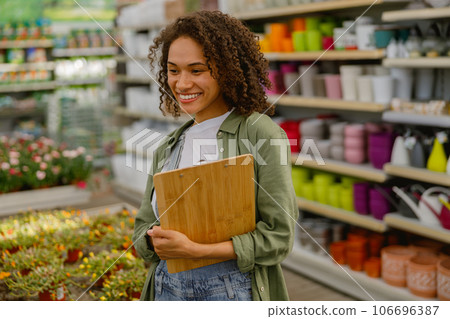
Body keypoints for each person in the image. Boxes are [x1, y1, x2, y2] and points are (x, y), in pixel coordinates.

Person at [132, 10, 298, 301]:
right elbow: (142, 227)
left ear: (227, 70)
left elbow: (279, 238)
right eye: (173, 70)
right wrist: (153, 239)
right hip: (167, 288)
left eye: (197, 70)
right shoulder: (170, 145)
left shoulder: (258, 133)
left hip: (230, 292)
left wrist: (197, 251)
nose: (182, 84)